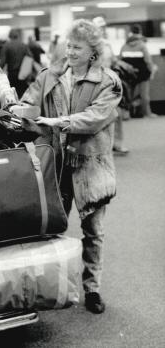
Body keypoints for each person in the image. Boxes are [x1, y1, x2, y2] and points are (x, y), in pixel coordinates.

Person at [21, 19, 122, 314]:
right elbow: (28, 103)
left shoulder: (108, 82)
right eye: (68, 45)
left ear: (93, 52)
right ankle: (50, 289)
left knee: (94, 230)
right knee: (51, 228)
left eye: (77, 47)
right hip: (57, 164)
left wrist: (58, 122)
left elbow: (95, 117)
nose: (70, 51)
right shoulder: (50, 76)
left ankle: (92, 289)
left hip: (92, 165)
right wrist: (17, 111)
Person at [92, 16, 133, 155]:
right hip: (95, 85)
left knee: (117, 114)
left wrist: (124, 65)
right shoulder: (90, 45)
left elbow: (113, 61)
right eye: (99, 27)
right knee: (99, 117)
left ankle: (117, 143)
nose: (102, 29)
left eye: (103, 27)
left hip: (110, 83)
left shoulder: (107, 44)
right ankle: (100, 146)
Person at [119, 24, 157, 118]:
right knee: (144, 93)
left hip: (128, 72)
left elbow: (120, 60)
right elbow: (148, 60)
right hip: (142, 72)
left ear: (131, 33)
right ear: (140, 32)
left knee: (128, 94)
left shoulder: (124, 45)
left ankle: (128, 114)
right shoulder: (142, 45)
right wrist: (152, 69)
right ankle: (147, 113)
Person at [0, 28, 33, 98]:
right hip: (23, 74)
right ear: (17, 36)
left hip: (12, 74)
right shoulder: (23, 45)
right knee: (22, 94)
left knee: (13, 94)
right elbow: (30, 57)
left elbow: (2, 62)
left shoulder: (6, 46)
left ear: (9, 36)